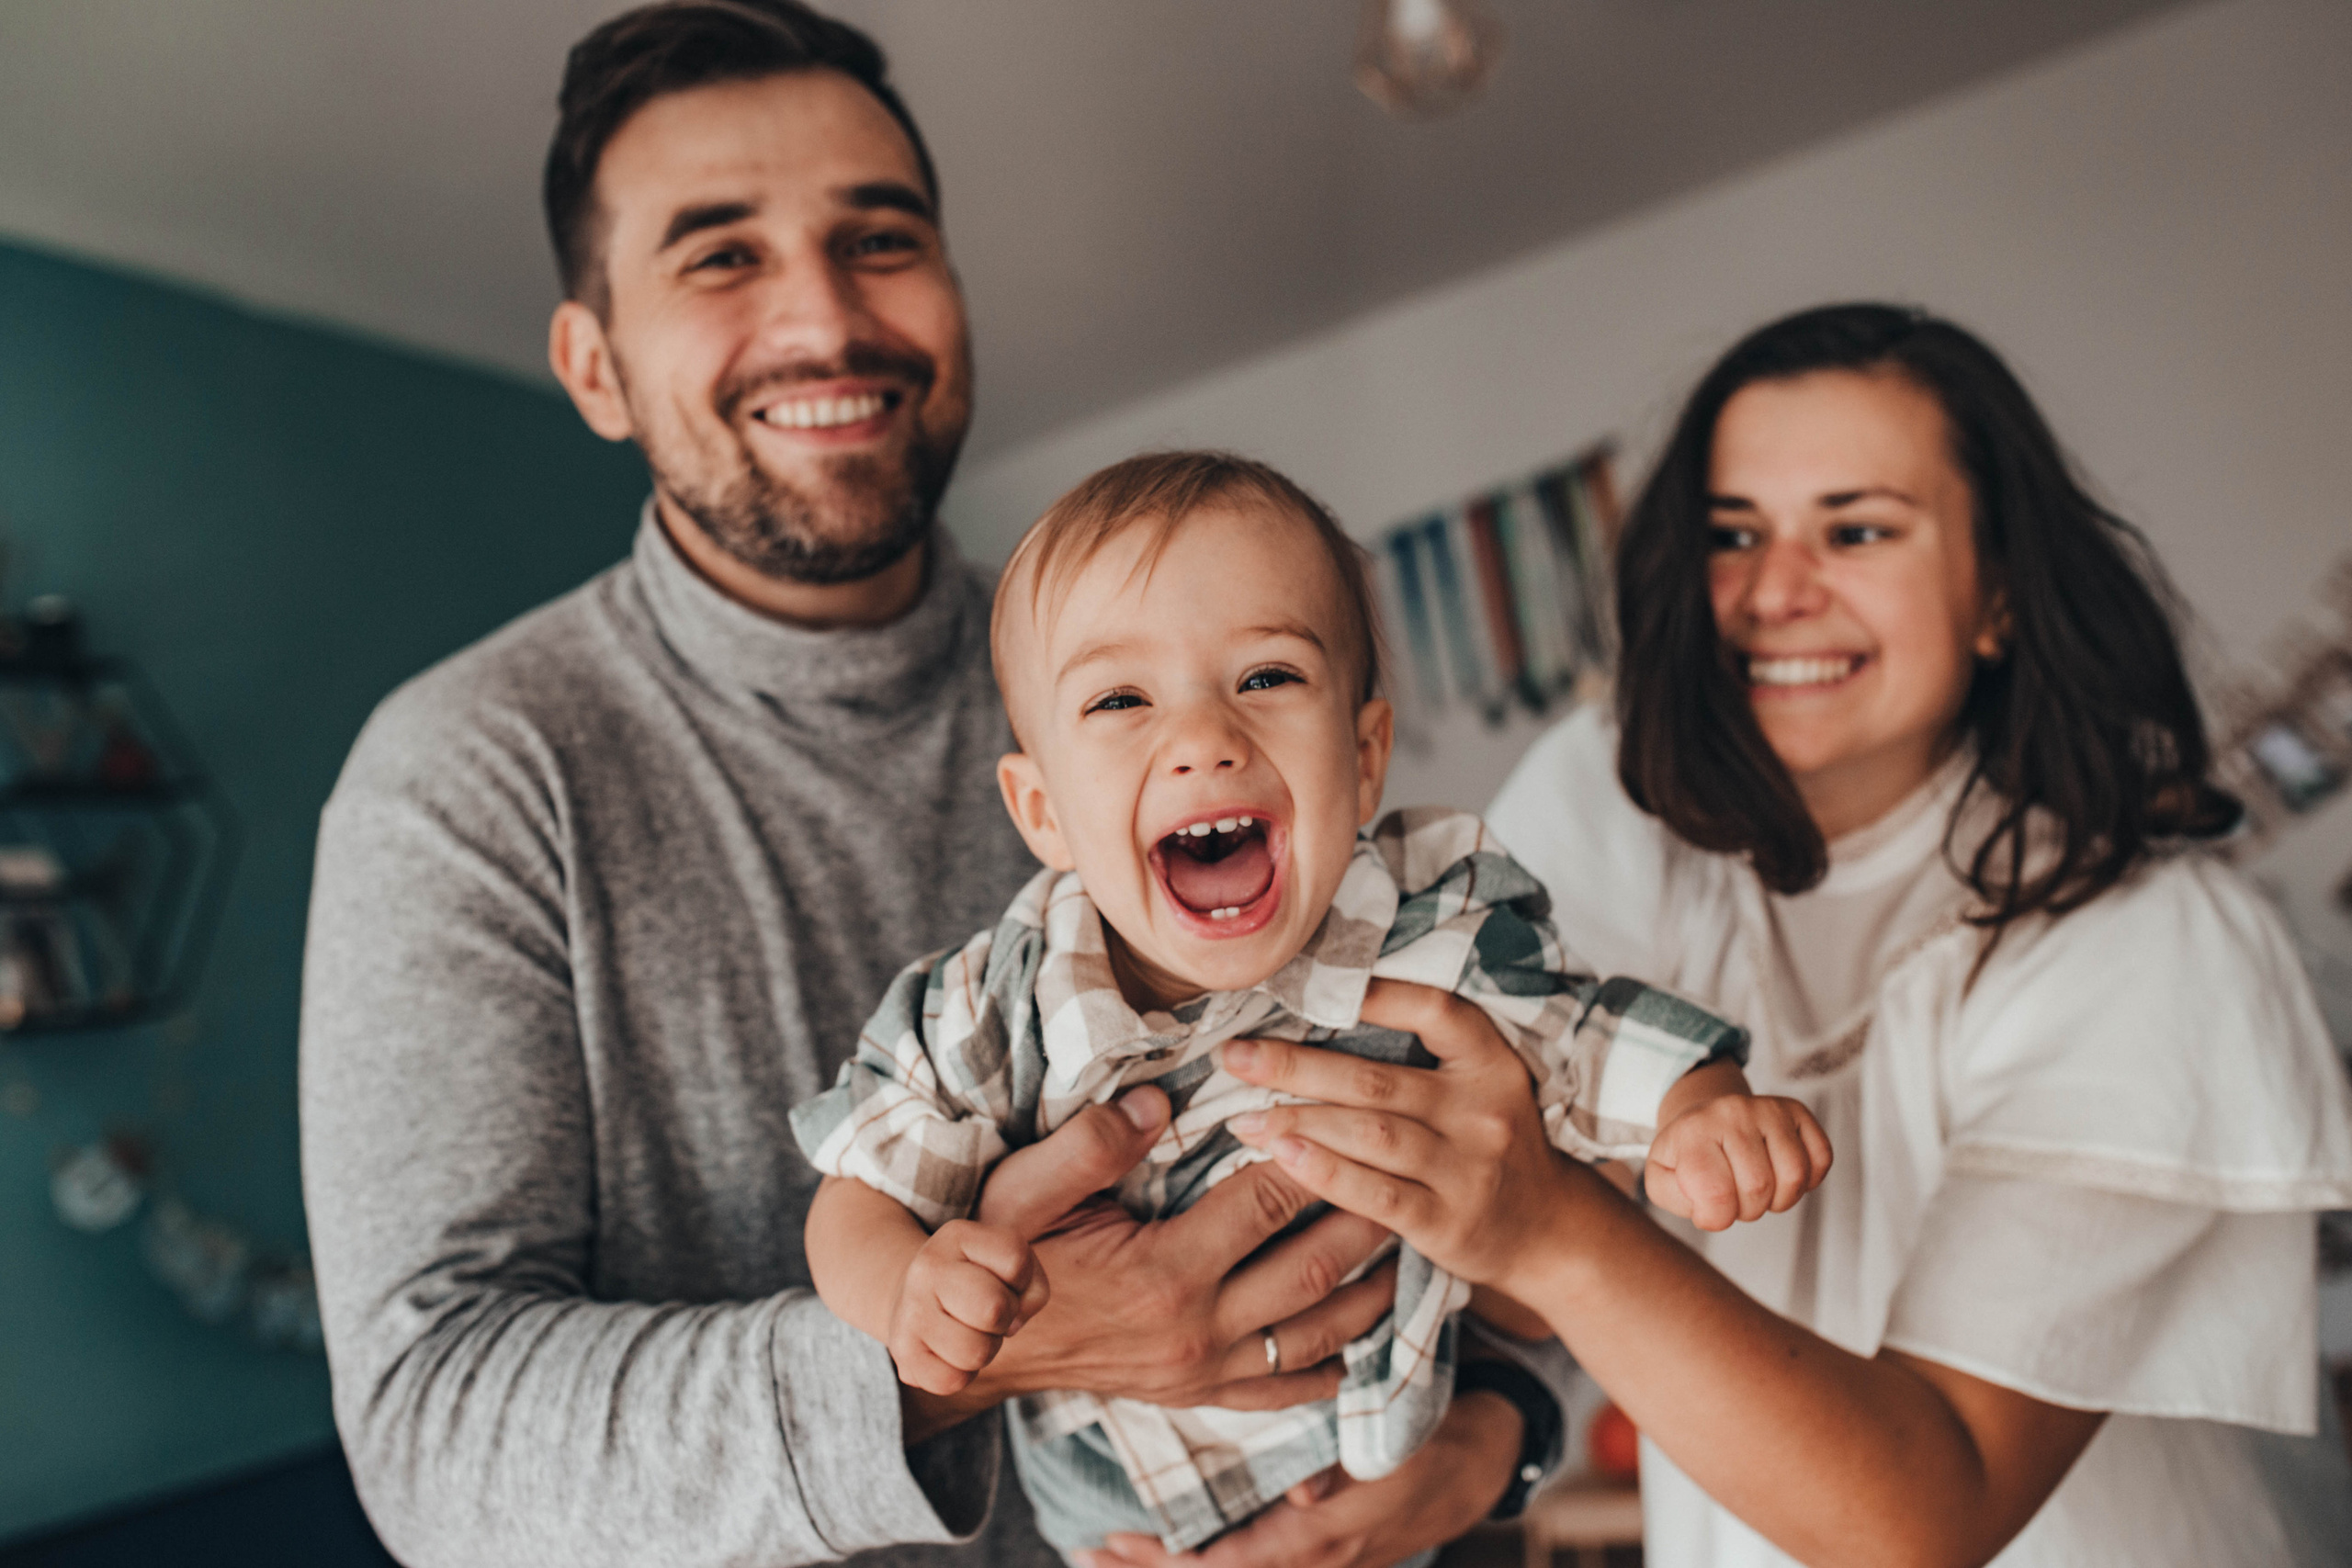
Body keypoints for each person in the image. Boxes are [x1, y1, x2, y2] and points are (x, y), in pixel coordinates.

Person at [300, 6, 1570, 1566]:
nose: (826, 317)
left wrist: (1494, 1442)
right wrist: (968, 1352)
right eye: (720, 255)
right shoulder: (469, 774)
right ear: (594, 365)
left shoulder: (1184, 686)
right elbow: (436, 1434)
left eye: (880, 239)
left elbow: (1511, 1133)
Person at [1182, 304, 2352, 1568]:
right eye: (1733, 534)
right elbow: (1503, 1232)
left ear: (1999, 592)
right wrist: (1465, 1439)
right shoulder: (1613, 798)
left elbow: (1925, 1513)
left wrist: (1546, 1225)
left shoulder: (2153, 940)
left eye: (1857, 530)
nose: (1775, 591)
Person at [786, 452, 1826, 1562]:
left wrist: (1702, 1104)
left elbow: (1581, 1033)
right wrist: (904, 1291)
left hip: (1384, 1476)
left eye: (1267, 677)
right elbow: (859, 1192)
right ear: (1040, 810)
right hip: (1122, 1519)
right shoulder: (989, 1008)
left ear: (1365, 757)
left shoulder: (1433, 926)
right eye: (1121, 699)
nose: (1204, 738)